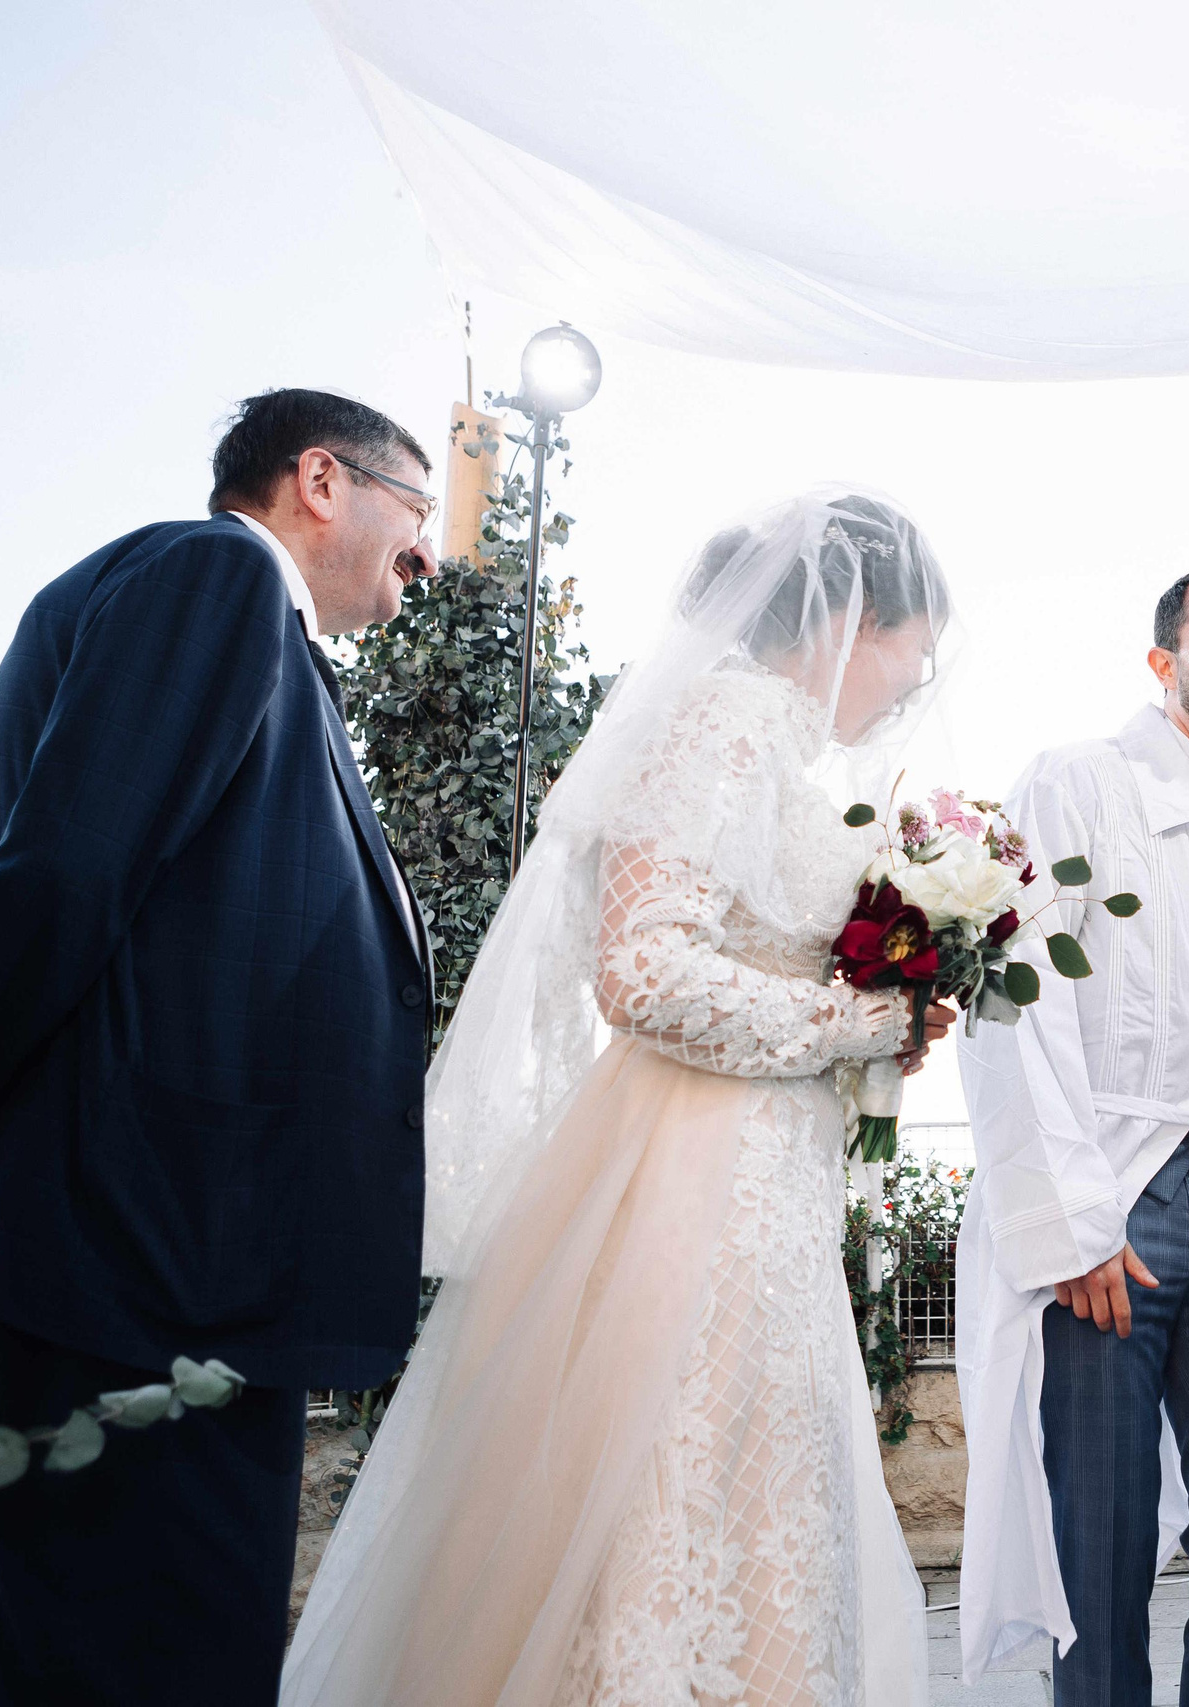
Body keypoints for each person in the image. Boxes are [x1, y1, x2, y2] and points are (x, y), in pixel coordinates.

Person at [0, 389, 442, 1705]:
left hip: (181, 1261)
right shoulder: (209, 576)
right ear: (320, 480)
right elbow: (51, 887)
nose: (429, 555)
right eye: (417, 509)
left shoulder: (241, 622)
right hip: (149, 1258)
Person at [281, 489, 955, 1707]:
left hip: (760, 1171)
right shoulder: (730, 722)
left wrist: (878, 1016)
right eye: (915, 642)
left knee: (737, 1491)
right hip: (697, 1179)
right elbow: (643, 969)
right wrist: (865, 1020)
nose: (916, 674)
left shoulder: (770, 744)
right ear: (854, 622)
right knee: (681, 1497)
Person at [956, 553, 1189, 1707]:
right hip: (1110, 1203)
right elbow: (1010, 999)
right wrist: (1068, 1219)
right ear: (1165, 661)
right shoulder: (1076, 782)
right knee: (1099, 1549)